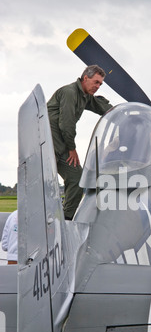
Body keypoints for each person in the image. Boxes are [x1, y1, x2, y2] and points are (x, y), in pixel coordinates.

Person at [47, 65, 113, 220]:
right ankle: (61, 219)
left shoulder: (85, 96)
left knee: (77, 180)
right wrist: (72, 149)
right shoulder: (69, 92)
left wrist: (129, 115)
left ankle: (65, 219)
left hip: (61, 144)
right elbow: (66, 124)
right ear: (85, 78)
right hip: (51, 144)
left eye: (100, 84)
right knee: (50, 183)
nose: (97, 87)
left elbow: (104, 109)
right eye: (96, 82)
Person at [1, 210, 18, 332]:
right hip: (29, 269)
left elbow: (5, 244)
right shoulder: (43, 215)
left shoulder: (13, 216)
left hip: (10, 269)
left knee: (11, 326)